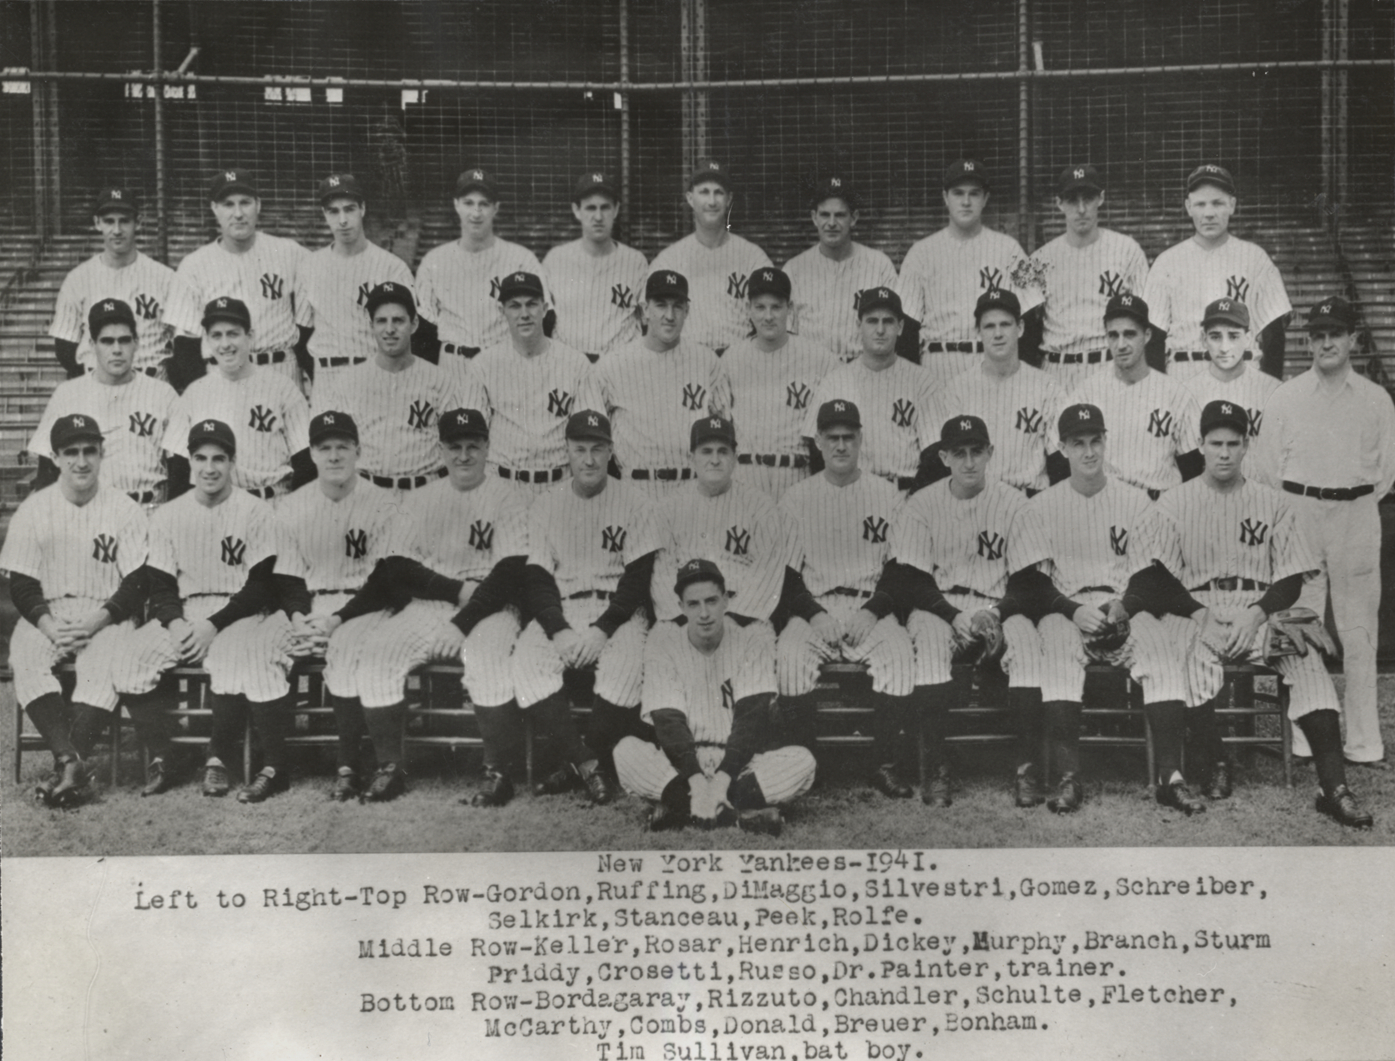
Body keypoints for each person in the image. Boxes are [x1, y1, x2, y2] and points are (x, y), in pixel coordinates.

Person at [1126, 400, 1373, 827]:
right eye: (1215, 443)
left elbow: (1291, 576)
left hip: (1256, 609)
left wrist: (1257, 615)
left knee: (1307, 663)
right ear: (1200, 446)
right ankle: (1216, 760)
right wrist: (1200, 614)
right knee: (1185, 663)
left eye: (1233, 443)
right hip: (1194, 609)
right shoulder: (1172, 502)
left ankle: (1333, 788)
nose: (1224, 452)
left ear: (1246, 446)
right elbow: (1154, 579)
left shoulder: (1272, 502)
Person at [317, 408, 529, 804]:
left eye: (472, 446)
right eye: (454, 447)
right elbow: (397, 566)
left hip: (491, 607)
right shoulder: (419, 500)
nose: (463, 455)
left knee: (487, 655)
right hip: (432, 605)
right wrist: (452, 599)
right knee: (379, 653)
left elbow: (510, 573)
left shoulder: (507, 496)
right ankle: (390, 767)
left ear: (487, 448)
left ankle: (497, 770)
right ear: (440, 450)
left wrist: (461, 623)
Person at [1015, 403, 1189, 813]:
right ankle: (1067, 777)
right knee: (1056, 655)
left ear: (1106, 441)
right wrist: (1072, 609)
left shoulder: (1135, 501)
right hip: (1067, 609)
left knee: (1163, 652)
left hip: (1121, 607)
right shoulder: (1041, 505)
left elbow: (1151, 574)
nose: (1089, 452)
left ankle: (1171, 776)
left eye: (1096, 441)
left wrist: (1124, 606)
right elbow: (1031, 584)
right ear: (1062, 448)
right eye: (1079, 443)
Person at [111, 419, 294, 803]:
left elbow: (261, 585)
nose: (209, 468)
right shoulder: (168, 515)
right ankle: (168, 753)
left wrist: (212, 626)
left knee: (231, 655)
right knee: (128, 658)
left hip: (240, 613)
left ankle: (218, 758)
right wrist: (177, 624)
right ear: (190, 462)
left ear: (232, 463)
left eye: (219, 459)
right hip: (186, 612)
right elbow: (160, 585)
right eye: (200, 458)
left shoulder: (256, 511)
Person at [1251, 296, 1395, 770]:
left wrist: (1348, 500)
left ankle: (1363, 742)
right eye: (1318, 335)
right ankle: (1306, 736)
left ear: (1354, 338)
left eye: (1336, 333)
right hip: (1300, 512)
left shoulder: (1376, 399)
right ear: (1307, 342)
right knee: (1300, 627)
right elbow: (1268, 469)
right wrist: (1303, 506)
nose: (1327, 342)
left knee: (1358, 632)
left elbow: (1386, 474)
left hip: (1355, 511)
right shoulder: (1286, 397)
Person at [890, 415, 1045, 806]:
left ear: (991, 453)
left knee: (1027, 644)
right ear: (944, 457)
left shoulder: (1014, 502)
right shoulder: (921, 504)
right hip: (941, 605)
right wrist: (953, 616)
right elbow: (912, 579)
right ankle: (937, 767)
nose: (969, 462)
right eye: (959, 453)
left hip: (998, 604)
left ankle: (1027, 768)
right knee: (927, 643)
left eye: (977, 451)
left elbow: (1028, 581)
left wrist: (994, 611)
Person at [0, 414, 148, 807]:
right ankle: (72, 763)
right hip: (50, 613)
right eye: (71, 453)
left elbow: (136, 582)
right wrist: (49, 626)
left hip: (105, 614)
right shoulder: (35, 509)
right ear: (55, 457)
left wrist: (98, 619)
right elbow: (22, 583)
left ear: (102, 453)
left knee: (104, 665)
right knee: (26, 655)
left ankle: (66, 766)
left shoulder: (124, 508)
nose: (81, 461)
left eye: (89, 451)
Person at [614, 559, 816, 835]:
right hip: (682, 763)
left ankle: (681, 811)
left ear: (726, 601)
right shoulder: (663, 642)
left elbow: (750, 721)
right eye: (694, 604)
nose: (704, 613)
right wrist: (696, 782)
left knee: (802, 762)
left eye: (712, 601)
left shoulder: (750, 641)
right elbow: (668, 723)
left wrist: (721, 780)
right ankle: (740, 817)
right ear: (681, 607)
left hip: (738, 761)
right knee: (625, 752)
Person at [776, 399, 917, 795]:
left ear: (860, 440)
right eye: (832, 438)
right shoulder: (796, 498)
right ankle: (804, 765)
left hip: (868, 607)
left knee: (900, 656)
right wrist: (814, 614)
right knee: (788, 658)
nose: (840, 446)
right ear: (818, 441)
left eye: (848, 437)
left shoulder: (887, 495)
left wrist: (873, 611)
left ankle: (884, 764)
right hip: (815, 606)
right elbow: (786, 576)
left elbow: (901, 570)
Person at [273, 411, 412, 802]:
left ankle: (347, 764)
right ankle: (269, 762)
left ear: (358, 451)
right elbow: (287, 576)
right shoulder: (291, 507)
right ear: (312, 454)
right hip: (313, 607)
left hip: (365, 605)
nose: (334, 456)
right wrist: (300, 619)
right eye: (324, 448)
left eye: (342, 447)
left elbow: (387, 582)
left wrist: (334, 622)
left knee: (346, 645)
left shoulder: (384, 503)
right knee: (265, 644)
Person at [514, 410, 650, 798]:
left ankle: (576, 765)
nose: (589, 459)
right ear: (567, 452)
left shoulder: (635, 501)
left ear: (611, 451)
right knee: (527, 662)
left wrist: (600, 630)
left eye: (597, 449)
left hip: (618, 613)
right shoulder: (546, 504)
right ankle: (588, 763)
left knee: (625, 669)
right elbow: (537, 580)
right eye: (580, 449)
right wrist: (558, 631)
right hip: (565, 609)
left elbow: (637, 581)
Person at [312, 282, 464, 498]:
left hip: (424, 494)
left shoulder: (441, 380)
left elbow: (457, 447)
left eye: (398, 320)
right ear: (371, 325)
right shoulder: (348, 381)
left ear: (414, 324)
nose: (390, 329)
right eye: (381, 321)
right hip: (368, 495)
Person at [449, 270, 595, 494]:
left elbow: (589, 437)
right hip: (503, 485)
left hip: (560, 486)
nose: (524, 314)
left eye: (532, 304)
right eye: (515, 306)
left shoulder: (576, 364)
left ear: (545, 309)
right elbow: (472, 438)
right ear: (502, 311)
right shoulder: (484, 365)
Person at [589, 270, 730, 500]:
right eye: (661, 305)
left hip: (694, 488)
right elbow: (592, 435)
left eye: (677, 306)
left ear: (687, 311)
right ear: (645, 310)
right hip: (635, 489)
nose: (670, 315)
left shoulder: (707, 362)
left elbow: (724, 432)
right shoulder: (612, 365)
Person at [1143, 163, 1291, 382]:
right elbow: (1154, 337)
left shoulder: (1255, 258)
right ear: (1188, 206)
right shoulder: (1167, 263)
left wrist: (1269, 390)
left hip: (1243, 373)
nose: (1209, 213)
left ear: (1232, 205)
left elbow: (1274, 335)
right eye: (1200, 204)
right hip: (1185, 373)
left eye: (1217, 203)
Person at [895, 159, 1041, 381]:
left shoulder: (1010, 248)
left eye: (974, 193)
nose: (966, 201)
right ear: (945, 197)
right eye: (958, 193)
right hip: (938, 364)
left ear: (985, 199)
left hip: (992, 363)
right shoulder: (920, 253)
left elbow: (1031, 318)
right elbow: (906, 327)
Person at [164, 168, 308, 391]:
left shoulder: (290, 253)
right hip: (222, 376)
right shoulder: (193, 266)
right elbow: (186, 347)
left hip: (279, 369)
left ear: (258, 205)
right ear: (214, 208)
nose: (238, 213)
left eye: (245, 202)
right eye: (228, 204)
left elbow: (310, 326)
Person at [640, 415, 789, 629]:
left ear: (735, 458)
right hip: (685, 619)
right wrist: (688, 623)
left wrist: (733, 619)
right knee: (664, 652)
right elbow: (662, 577)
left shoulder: (761, 506)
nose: (715, 459)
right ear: (692, 458)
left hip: (744, 618)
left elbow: (768, 574)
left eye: (723, 451)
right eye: (706, 451)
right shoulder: (668, 508)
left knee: (757, 654)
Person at [28, 299, 176, 508]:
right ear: (92, 345)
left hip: (149, 510)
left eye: (124, 340)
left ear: (136, 342)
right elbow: (47, 473)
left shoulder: (163, 395)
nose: (116, 349)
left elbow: (181, 471)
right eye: (107, 341)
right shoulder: (68, 395)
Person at [164, 297, 312, 505]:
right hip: (216, 509)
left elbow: (306, 463)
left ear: (249, 336)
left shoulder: (283, 388)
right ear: (207, 340)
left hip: (272, 503)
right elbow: (179, 472)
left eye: (233, 334)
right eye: (217, 335)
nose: (225, 344)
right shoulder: (194, 394)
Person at [1025, 165, 1149, 393]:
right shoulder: (1039, 260)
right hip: (1056, 369)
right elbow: (1025, 331)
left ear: (1100, 198)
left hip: (1110, 367)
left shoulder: (1127, 250)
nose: (1081, 209)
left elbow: (1145, 319)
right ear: (1059, 203)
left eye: (1088, 199)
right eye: (1072, 200)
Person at [804, 287, 939, 494]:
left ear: (900, 326)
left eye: (888, 321)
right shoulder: (835, 382)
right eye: (872, 321)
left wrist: (915, 501)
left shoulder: (923, 382)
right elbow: (816, 447)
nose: (880, 330)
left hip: (905, 493)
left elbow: (934, 453)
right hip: (853, 495)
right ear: (859, 325)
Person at [721, 267, 839, 500]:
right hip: (745, 472)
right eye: (760, 307)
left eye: (776, 307)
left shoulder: (820, 359)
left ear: (790, 309)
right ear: (748, 309)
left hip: (796, 473)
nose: (768, 316)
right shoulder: (730, 359)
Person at [1067, 294, 1202, 498]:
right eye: (1113, 335)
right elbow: (1066, 460)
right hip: (1106, 505)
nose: (1121, 344)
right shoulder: (1087, 392)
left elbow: (1193, 466)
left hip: (1159, 505)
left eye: (1129, 334)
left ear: (1146, 335)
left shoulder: (1176, 394)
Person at [934, 289, 1065, 494]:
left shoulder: (1047, 387)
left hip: (1030, 502)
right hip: (978, 503)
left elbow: (1060, 463)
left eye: (1005, 324)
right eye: (989, 326)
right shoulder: (957, 390)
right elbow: (946, 465)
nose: (998, 334)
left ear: (1020, 328)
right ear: (978, 332)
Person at [415, 166, 551, 364]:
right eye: (468, 203)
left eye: (483, 204)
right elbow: (422, 324)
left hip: (504, 362)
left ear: (495, 207)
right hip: (453, 364)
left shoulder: (522, 259)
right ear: (456, 205)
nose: (476, 213)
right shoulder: (434, 261)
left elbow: (544, 317)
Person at [293, 172, 415, 384]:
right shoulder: (309, 266)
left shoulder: (392, 267)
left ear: (363, 209)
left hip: (376, 373)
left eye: (349, 209)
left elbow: (411, 332)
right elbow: (302, 333)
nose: (342, 220)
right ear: (324, 214)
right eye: (334, 211)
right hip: (327, 374)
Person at [49, 185, 175, 381]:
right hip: (96, 389)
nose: (117, 230)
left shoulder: (166, 278)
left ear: (138, 223)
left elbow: (185, 345)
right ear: (97, 223)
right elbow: (65, 347)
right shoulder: (78, 279)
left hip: (151, 389)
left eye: (124, 221)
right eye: (109, 221)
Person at [648, 160, 772, 356]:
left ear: (729, 199)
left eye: (718, 192)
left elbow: (772, 318)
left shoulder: (753, 257)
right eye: (704, 192)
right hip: (687, 360)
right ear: (690, 198)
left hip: (740, 359)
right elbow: (651, 324)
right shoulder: (669, 260)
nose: (712, 201)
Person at [783, 176, 898, 364]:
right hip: (812, 370)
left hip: (864, 371)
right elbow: (785, 335)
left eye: (840, 215)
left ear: (854, 218)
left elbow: (894, 330)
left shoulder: (879, 266)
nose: (832, 223)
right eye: (825, 215)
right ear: (814, 217)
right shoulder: (794, 270)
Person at [542, 170, 647, 361]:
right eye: (590, 208)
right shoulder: (556, 260)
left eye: (605, 207)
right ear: (576, 210)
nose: (598, 217)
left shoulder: (636, 262)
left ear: (615, 210)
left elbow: (649, 322)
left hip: (619, 368)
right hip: (569, 367)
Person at [1181, 298, 1280, 442]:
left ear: (1248, 338)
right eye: (1215, 337)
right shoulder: (1186, 393)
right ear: (1203, 339)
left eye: (1233, 336)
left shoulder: (1272, 390)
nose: (1224, 347)